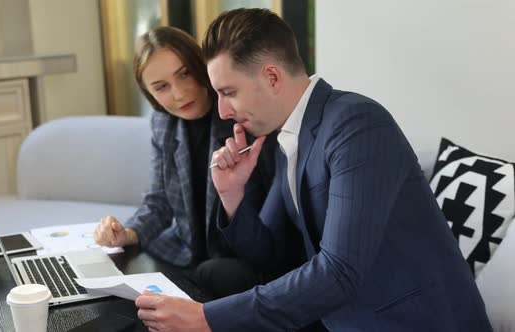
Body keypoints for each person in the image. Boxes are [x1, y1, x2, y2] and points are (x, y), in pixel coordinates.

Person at [134, 8, 493, 332]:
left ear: (272, 77)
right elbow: (266, 255)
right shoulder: (289, 137)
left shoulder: (356, 125)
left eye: (229, 92)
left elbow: (340, 272)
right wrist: (232, 194)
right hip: (338, 317)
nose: (224, 111)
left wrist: (206, 318)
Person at [93, 26, 278, 299]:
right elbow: (159, 201)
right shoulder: (163, 123)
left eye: (185, 74)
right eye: (161, 87)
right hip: (183, 256)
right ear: (149, 94)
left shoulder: (241, 115)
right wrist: (127, 233)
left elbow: (270, 210)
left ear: (200, 65)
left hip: (240, 263)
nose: (179, 94)